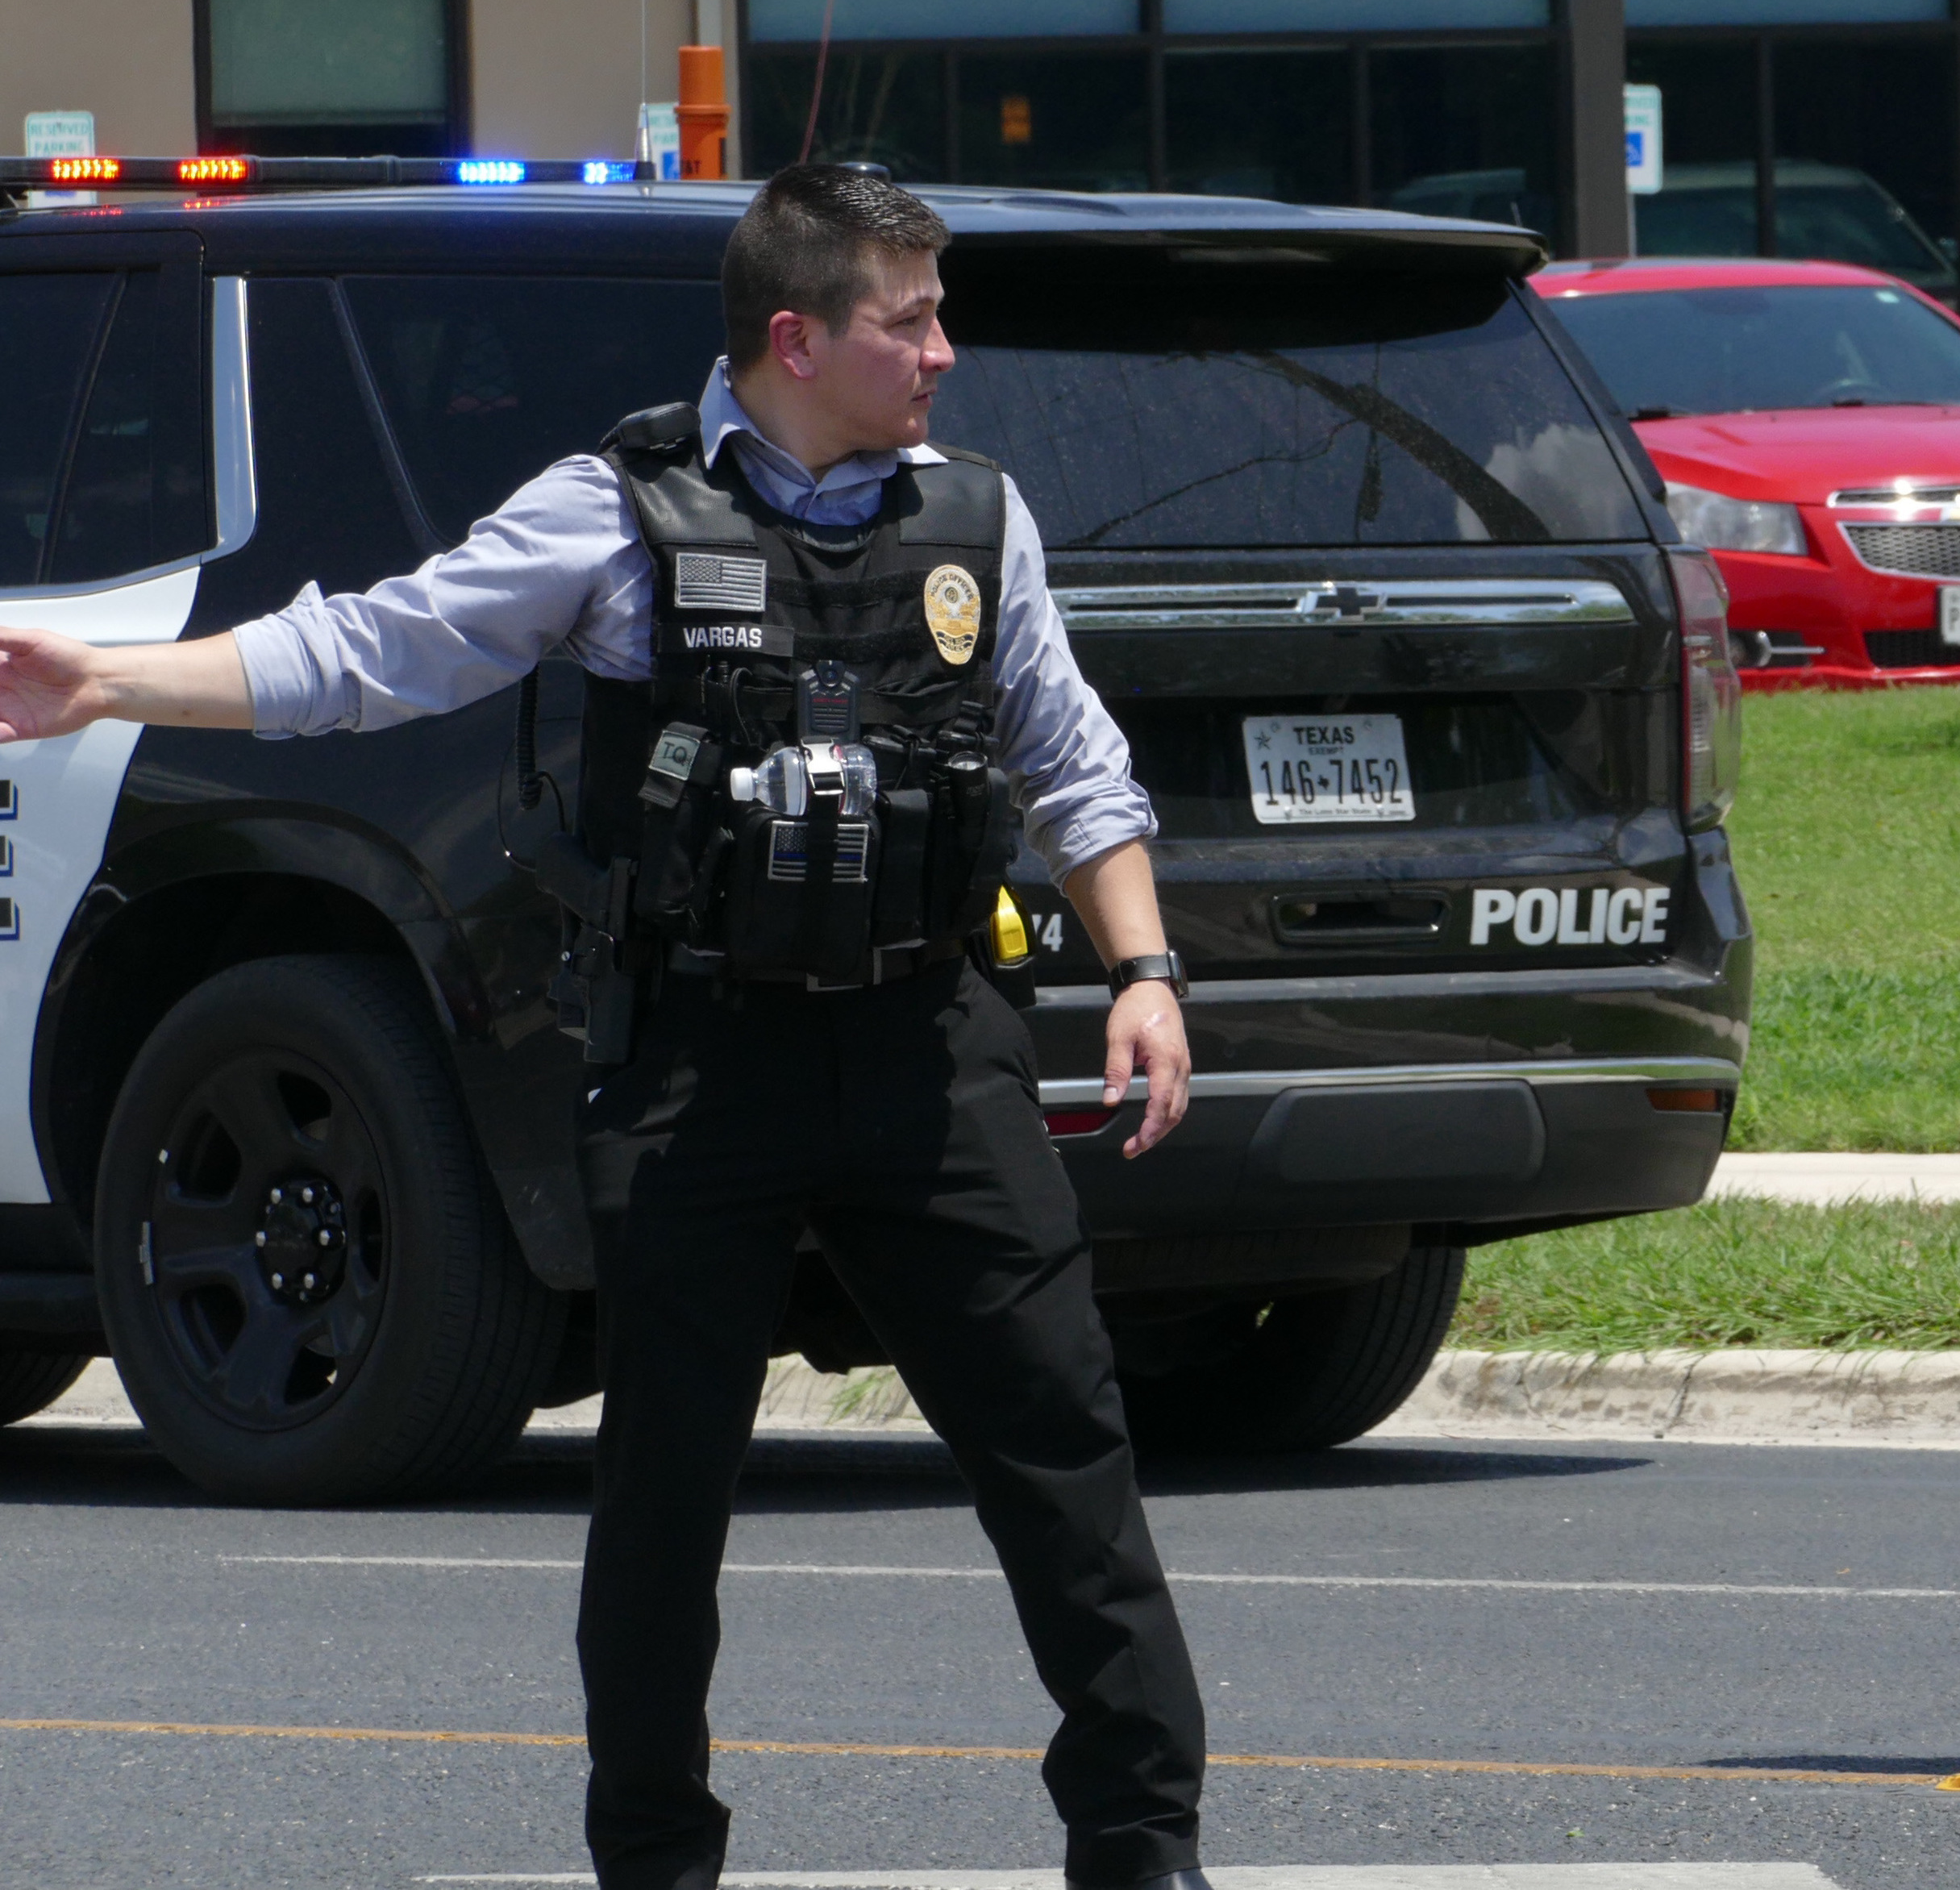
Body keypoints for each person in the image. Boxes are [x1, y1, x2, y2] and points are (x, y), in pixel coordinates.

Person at [0, 164, 1217, 1890]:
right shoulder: (612, 509)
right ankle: (653, 1861)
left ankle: (1144, 1845)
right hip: (701, 1061)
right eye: (911, 320)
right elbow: (379, 654)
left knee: (1068, 1456)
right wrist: (116, 680)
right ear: (797, 338)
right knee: (663, 1502)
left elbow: (1076, 762)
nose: (946, 350)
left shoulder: (979, 520)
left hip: (931, 1054)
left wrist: (1147, 972)